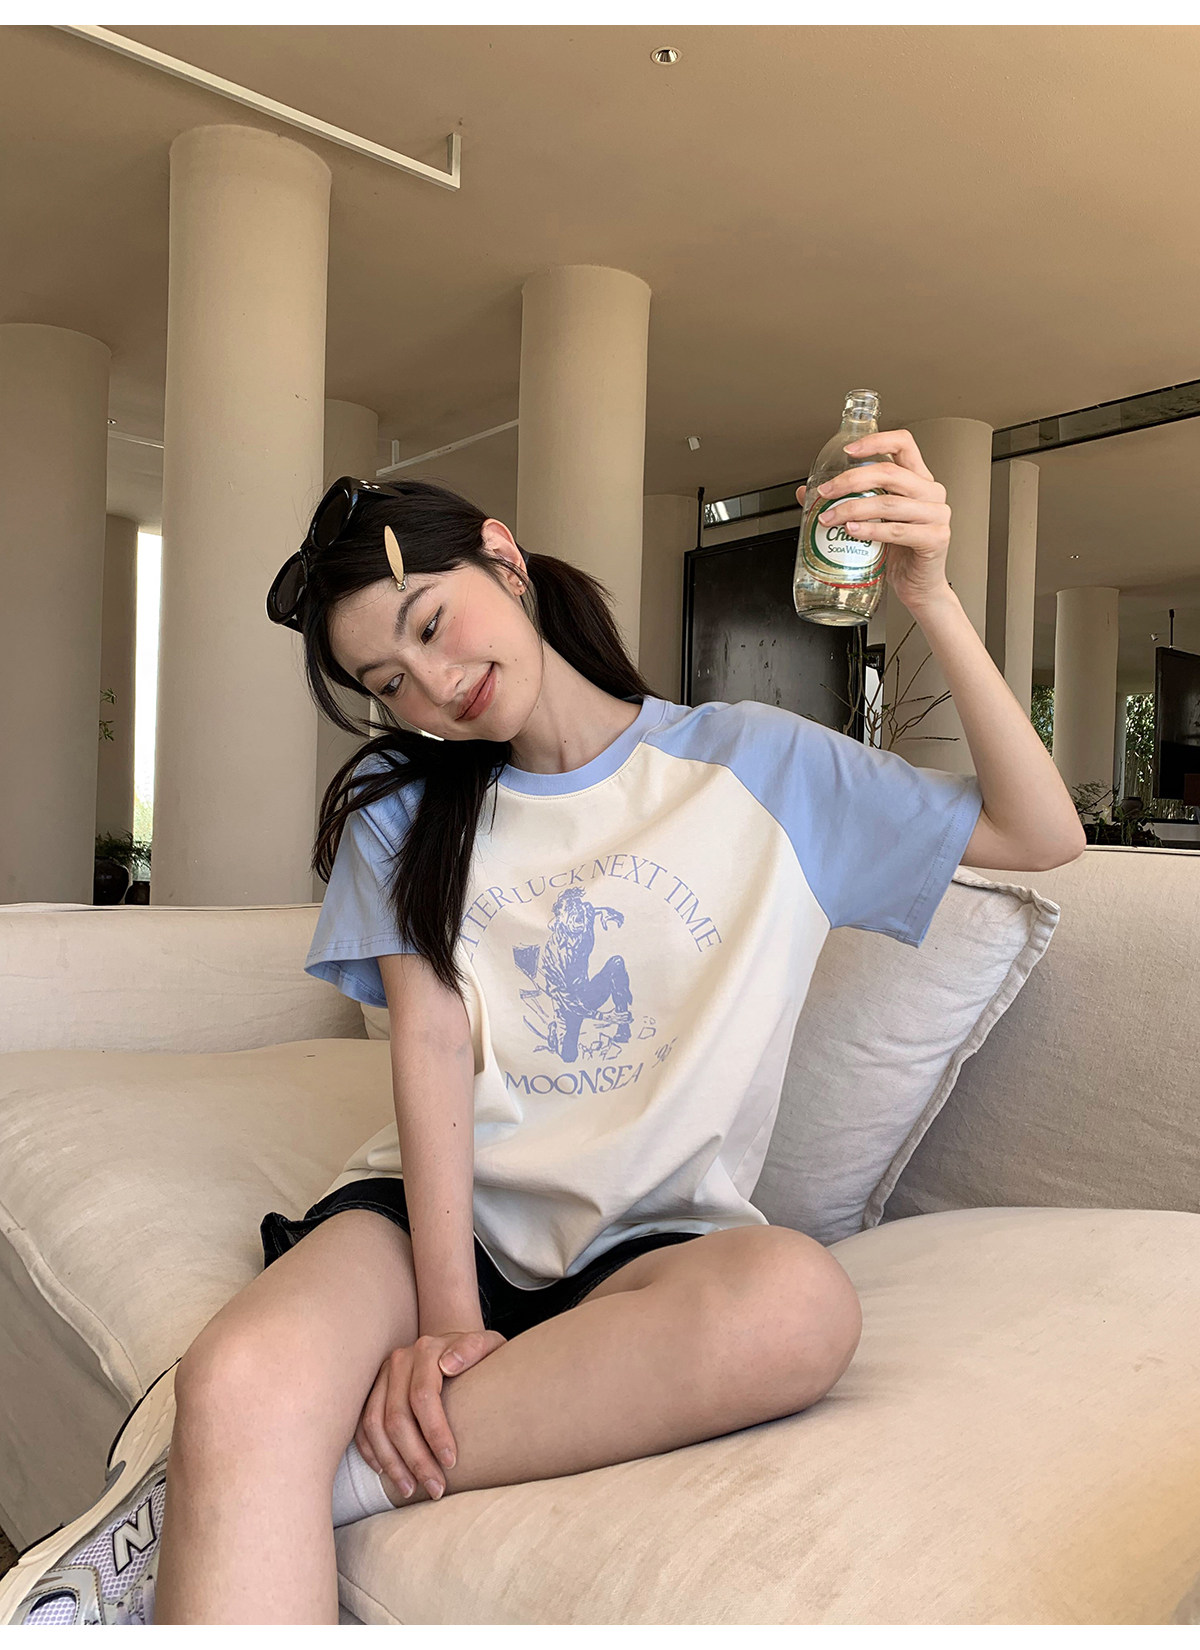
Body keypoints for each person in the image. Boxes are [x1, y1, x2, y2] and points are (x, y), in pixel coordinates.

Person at [4, 452, 989, 1626]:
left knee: (797, 1307)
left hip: (651, 1235)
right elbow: (428, 1052)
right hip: (434, 1217)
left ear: (504, 560)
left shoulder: (758, 764)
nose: (433, 684)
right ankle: (245, 1456)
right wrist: (448, 1322)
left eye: (431, 623)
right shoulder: (406, 809)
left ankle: (253, 1487)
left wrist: (929, 593)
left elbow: (1041, 834)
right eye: (390, 680)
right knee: (240, 1375)